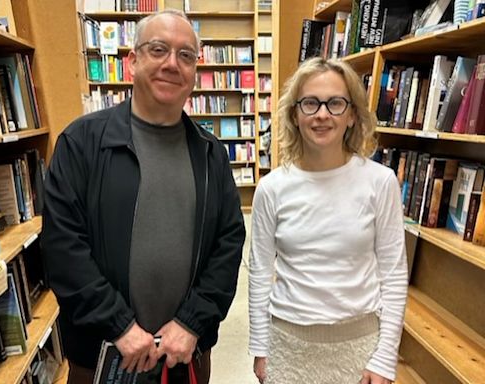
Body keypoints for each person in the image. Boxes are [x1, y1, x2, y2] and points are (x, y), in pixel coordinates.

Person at [42, 9, 245, 384]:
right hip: (105, 358)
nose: (172, 64)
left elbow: (228, 244)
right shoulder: (82, 143)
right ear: (132, 62)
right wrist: (119, 326)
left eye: (186, 55)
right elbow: (63, 248)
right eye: (158, 49)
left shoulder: (210, 153)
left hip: (184, 356)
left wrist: (191, 322)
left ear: (194, 74)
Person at [248, 57, 408, 384]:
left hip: (360, 348)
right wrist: (260, 345)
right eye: (310, 103)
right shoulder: (272, 188)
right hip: (288, 346)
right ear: (295, 113)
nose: (322, 114)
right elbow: (260, 270)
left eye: (335, 103)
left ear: (352, 114)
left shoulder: (380, 182)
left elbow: (393, 272)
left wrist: (386, 354)